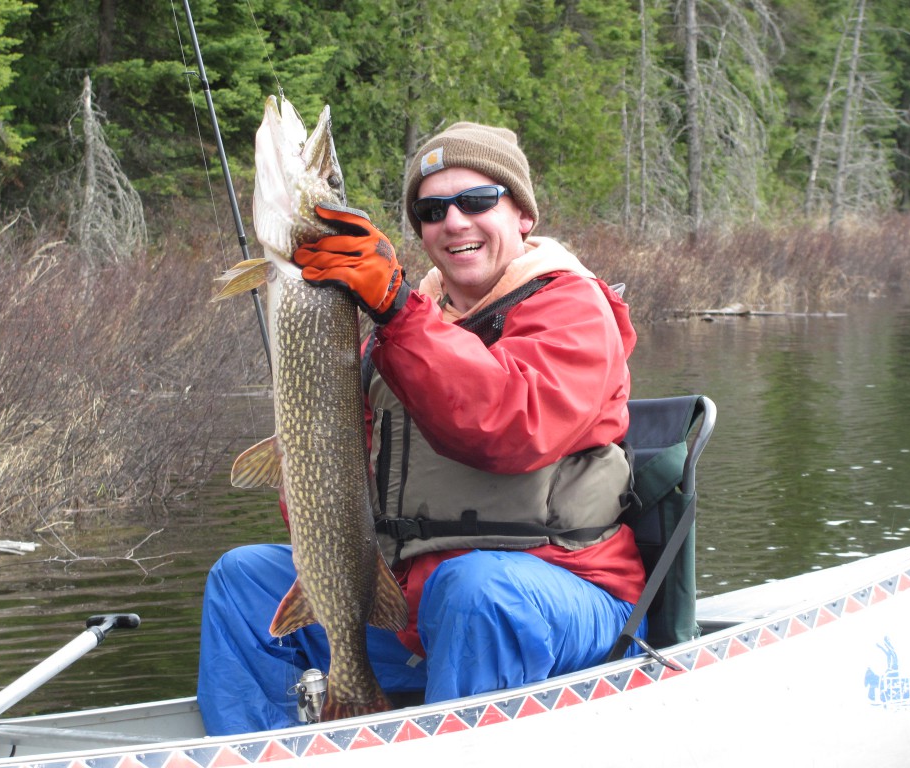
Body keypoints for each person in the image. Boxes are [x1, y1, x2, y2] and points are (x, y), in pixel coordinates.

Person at [197, 122, 645, 735]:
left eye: (477, 200)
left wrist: (398, 310)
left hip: (565, 595)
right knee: (244, 578)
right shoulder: (403, 326)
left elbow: (512, 426)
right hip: (420, 603)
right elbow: (324, 470)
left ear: (520, 214)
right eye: (432, 210)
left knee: (474, 591)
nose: (454, 221)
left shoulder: (572, 307)